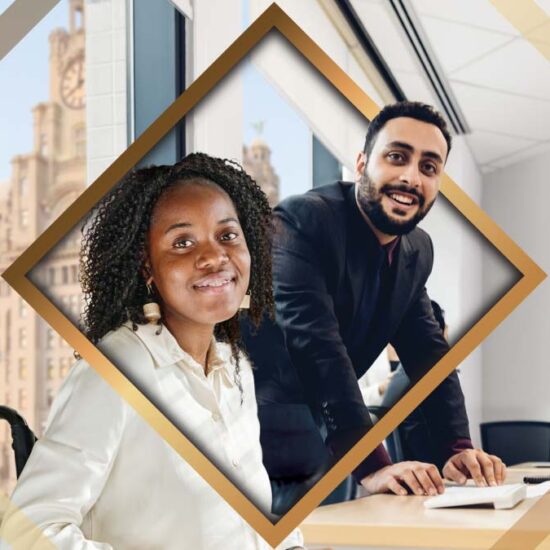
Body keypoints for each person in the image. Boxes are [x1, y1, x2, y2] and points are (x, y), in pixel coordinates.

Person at [0, 154, 303, 550]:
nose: (215, 256)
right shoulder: (115, 371)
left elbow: (249, 512)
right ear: (147, 267)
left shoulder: (235, 367)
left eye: (228, 236)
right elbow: (26, 533)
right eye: (182, 242)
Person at [242, 101, 505, 513]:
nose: (410, 177)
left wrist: (458, 447)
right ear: (362, 162)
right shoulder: (302, 220)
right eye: (397, 157)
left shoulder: (417, 250)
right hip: (261, 427)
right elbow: (317, 347)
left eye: (429, 167)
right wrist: (373, 465)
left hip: (331, 431)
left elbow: (430, 354)